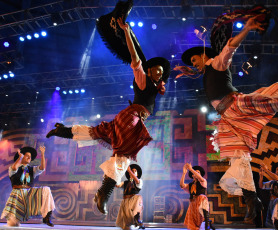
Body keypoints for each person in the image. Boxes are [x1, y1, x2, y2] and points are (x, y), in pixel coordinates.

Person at [179, 15, 278, 224]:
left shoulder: (218, 64)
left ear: (204, 56)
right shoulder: (206, 72)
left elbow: (230, 47)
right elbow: (199, 72)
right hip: (228, 118)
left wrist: (247, 28)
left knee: (268, 98)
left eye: (194, 60)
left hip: (235, 105)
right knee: (237, 156)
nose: (194, 65)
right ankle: (252, 199)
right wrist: (188, 71)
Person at [45, 15, 170, 215]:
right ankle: (103, 194)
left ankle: (64, 130)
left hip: (131, 117)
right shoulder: (142, 78)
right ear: (149, 70)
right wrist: (127, 31)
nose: (158, 73)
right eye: (155, 69)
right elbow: (135, 58)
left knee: (100, 132)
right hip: (132, 118)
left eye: (161, 71)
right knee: (123, 154)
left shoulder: (153, 87)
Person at [1, 146, 55, 227]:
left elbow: (42, 168)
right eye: (27, 155)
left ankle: (46, 217)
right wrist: (20, 158)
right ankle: (15, 219)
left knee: (46, 189)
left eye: (30, 157)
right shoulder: (13, 168)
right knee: (13, 224)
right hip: (18, 194)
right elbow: (14, 168)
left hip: (29, 193)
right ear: (22, 156)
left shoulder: (31, 169)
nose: (29, 157)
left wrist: (43, 154)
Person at [180, 163, 215, 230]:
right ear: (193, 175)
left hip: (201, 201)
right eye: (195, 173)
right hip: (193, 204)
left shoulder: (203, 181)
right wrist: (184, 173)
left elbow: (200, 178)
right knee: (195, 223)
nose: (196, 174)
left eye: (198, 173)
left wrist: (191, 169)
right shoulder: (190, 185)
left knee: (202, 199)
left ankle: (207, 225)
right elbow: (182, 185)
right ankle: (206, 225)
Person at [116, 164, 145, 230]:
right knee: (127, 221)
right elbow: (117, 185)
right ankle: (139, 224)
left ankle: (138, 219)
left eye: (135, 171)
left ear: (137, 174)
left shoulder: (139, 181)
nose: (133, 172)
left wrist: (129, 171)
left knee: (138, 197)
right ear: (129, 174)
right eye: (132, 171)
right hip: (126, 201)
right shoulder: (125, 182)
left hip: (134, 200)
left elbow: (137, 181)